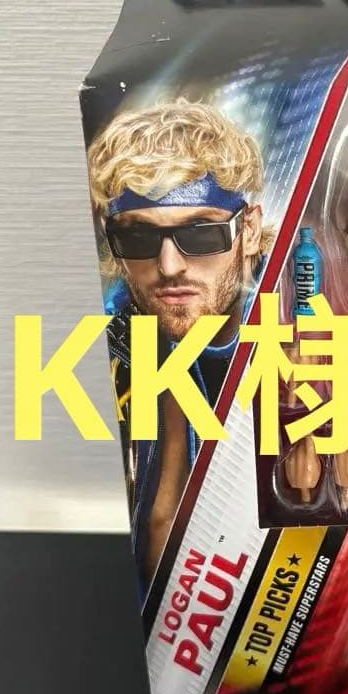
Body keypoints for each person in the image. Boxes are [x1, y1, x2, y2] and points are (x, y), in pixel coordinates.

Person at [87, 99, 269, 590]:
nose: (169, 266)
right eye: (138, 238)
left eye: (201, 233)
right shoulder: (106, 337)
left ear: (249, 230)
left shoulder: (306, 313)